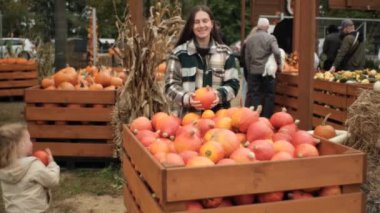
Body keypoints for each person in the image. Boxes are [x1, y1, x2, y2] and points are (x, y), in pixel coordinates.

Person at [165, 5, 240, 116]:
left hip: (219, 120)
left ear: (212, 24)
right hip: (189, 120)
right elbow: (170, 86)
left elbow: (233, 84)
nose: (201, 25)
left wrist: (219, 94)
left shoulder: (226, 53)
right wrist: (187, 98)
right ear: (191, 26)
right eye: (197, 22)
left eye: (205, 21)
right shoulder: (179, 54)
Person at [0, 123, 60, 213]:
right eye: (29, 140)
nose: (32, 143)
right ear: (20, 145)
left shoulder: (3, 168)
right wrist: (52, 164)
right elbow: (52, 180)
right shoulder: (33, 165)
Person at [244, 18, 282, 118]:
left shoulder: (250, 39)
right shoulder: (271, 38)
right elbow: (277, 52)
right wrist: (279, 63)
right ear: (268, 27)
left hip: (253, 71)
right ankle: (266, 117)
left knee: (254, 95)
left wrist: (249, 70)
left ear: (258, 26)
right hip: (267, 72)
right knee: (269, 95)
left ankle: (254, 116)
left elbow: (247, 57)